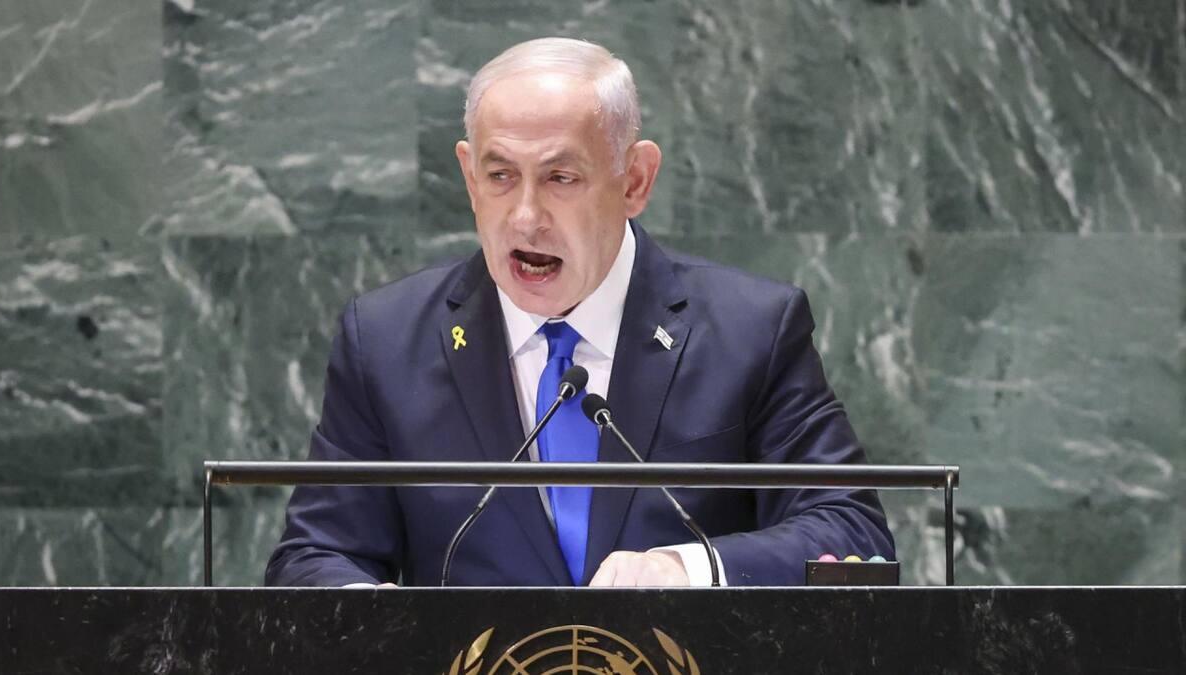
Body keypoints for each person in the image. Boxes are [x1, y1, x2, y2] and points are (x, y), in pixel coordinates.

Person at [265, 37, 894, 588]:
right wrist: (375, 621)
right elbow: (316, 556)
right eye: (501, 175)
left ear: (635, 180)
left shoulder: (752, 330)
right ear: (467, 176)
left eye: (561, 177)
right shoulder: (386, 341)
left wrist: (685, 568)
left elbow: (851, 533)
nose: (526, 216)